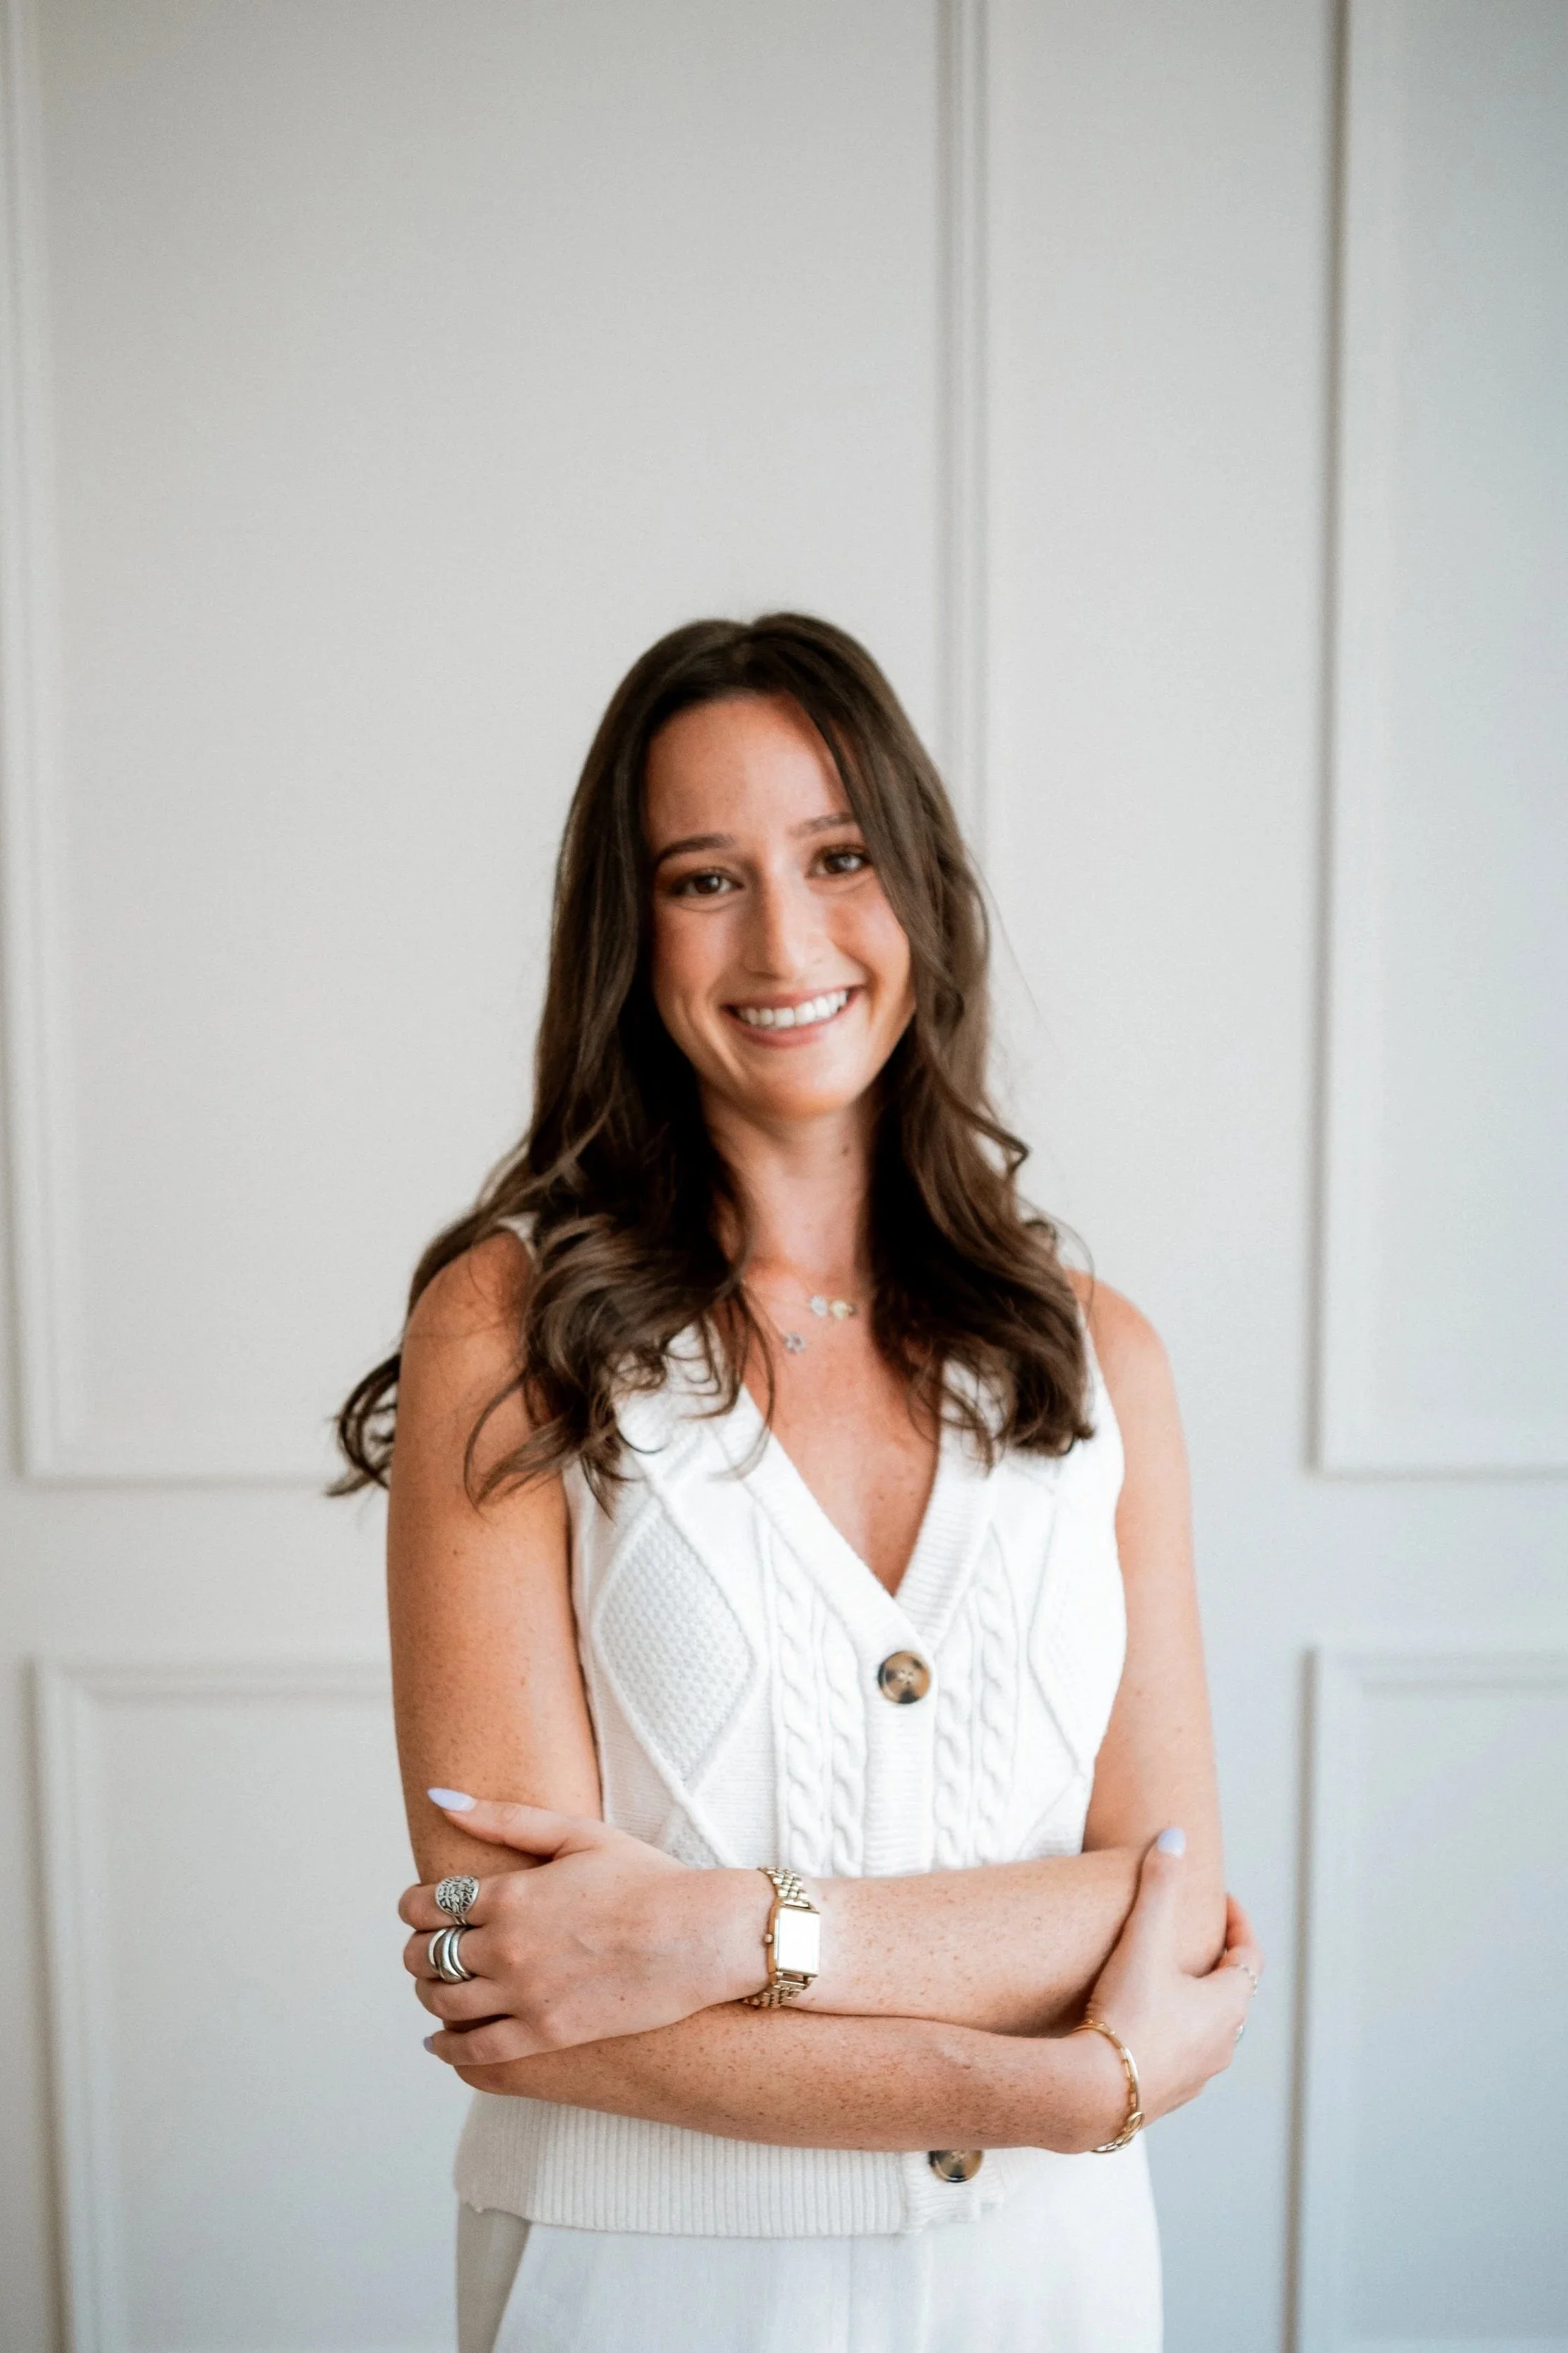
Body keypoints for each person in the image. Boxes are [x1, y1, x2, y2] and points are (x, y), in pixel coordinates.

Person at [334, 613, 1260, 2353]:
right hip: (645, 2292)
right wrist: (1059, 2091)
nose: (786, 939)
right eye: (703, 878)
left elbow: (1158, 1899)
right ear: (633, 933)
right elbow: (517, 1977)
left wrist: (724, 1931)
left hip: (1049, 2292)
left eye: (838, 857)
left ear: (916, 882)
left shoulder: (1091, 1354)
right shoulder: (512, 1328)